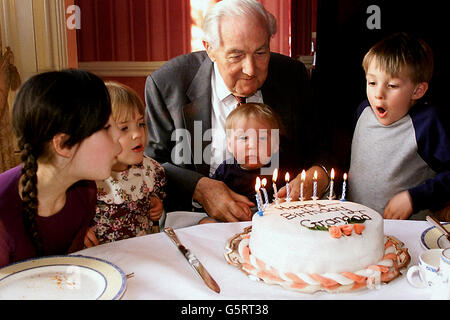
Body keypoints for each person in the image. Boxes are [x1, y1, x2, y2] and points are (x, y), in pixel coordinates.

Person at [145, 0, 330, 223]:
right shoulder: (168, 83)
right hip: (198, 221)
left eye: (261, 52)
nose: (250, 70)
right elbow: (151, 163)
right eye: (236, 56)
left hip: (279, 220)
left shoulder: (291, 75)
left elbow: (322, 148)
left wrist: (316, 176)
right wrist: (199, 188)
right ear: (209, 48)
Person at [0, 69, 121, 267]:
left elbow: (64, 270)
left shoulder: (86, 192)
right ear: (63, 144)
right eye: (106, 128)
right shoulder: (3, 216)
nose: (119, 136)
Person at [348, 32, 450, 220]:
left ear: (418, 90)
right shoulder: (362, 110)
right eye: (372, 82)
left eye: (392, 86)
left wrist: (414, 197)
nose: (378, 94)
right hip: (357, 227)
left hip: (405, 234)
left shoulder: (427, 123)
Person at [84, 82, 166, 246]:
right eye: (124, 128)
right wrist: (80, 230)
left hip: (143, 254)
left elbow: (156, 200)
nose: (137, 134)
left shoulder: (151, 170)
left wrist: (157, 205)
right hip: (102, 258)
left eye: (140, 124)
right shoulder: (86, 179)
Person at [212, 102, 281, 206]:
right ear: (230, 145)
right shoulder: (225, 171)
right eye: (244, 138)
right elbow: (212, 197)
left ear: (275, 144)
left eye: (262, 138)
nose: (253, 145)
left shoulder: (279, 170)